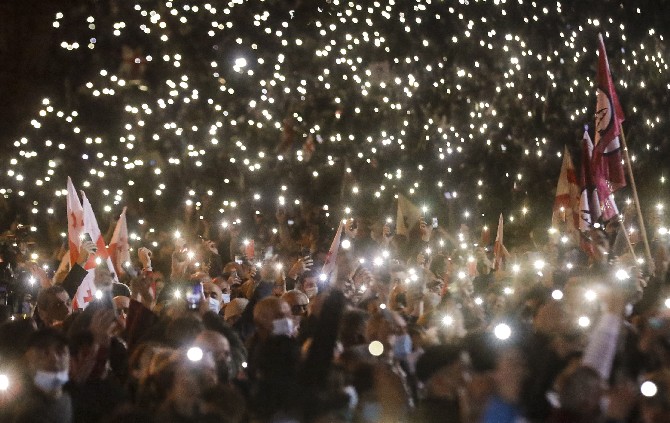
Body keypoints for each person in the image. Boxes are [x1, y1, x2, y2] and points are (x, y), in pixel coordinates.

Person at [10, 328, 73, 423]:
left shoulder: (66, 398)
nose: (54, 358)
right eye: (44, 352)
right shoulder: (26, 413)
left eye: (60, 351)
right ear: (26, 362)